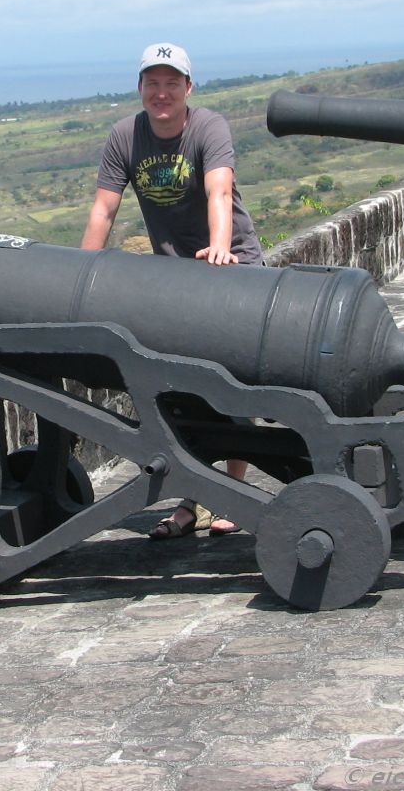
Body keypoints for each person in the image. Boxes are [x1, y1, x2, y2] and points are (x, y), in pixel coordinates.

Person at [80, 42, 262, 539]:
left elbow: (219, 191)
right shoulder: (126, 136)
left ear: (188, 88)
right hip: (175, 276)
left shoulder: (208, 127)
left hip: (231, 266)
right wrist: (80, 273)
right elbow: (103, 209)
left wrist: (221, 249)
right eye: (153, 83)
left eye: (171, 83)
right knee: (182, 392)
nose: (162, 93)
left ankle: (234, 492)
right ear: (141, 88)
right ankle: (191, 500)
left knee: (235, 387)